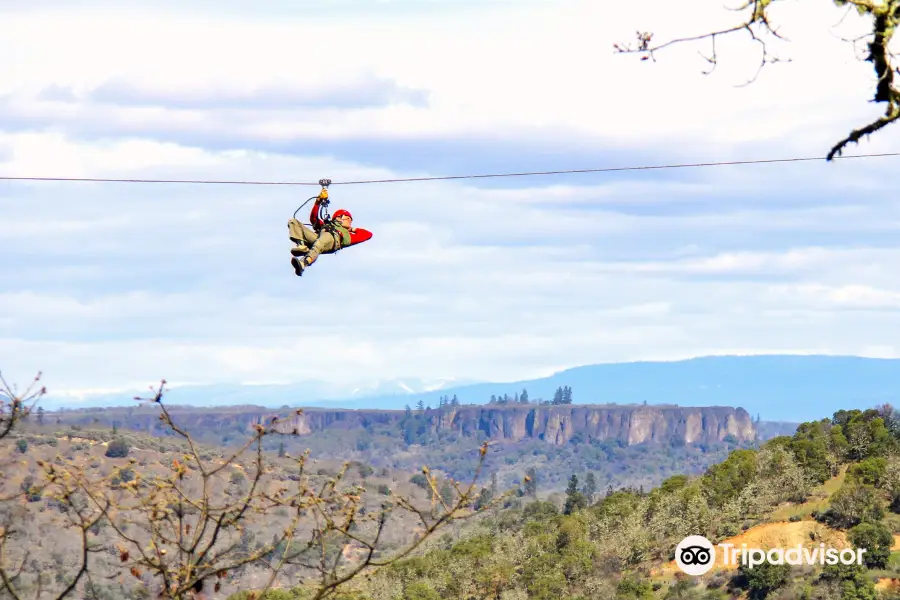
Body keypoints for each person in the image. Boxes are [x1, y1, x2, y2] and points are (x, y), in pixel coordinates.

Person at [287, 196, 373, 276]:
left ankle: (304, 263)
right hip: (319, 239)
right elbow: (313, 219)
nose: (350, 221)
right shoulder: (326, 226)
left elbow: (368, 234)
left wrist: (352, 229)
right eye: (348, 219)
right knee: (293, 222)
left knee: (325, 237)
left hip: (331, 242)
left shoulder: (349, 236)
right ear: (339, 218)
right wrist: (318, 202)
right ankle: (302, 246)